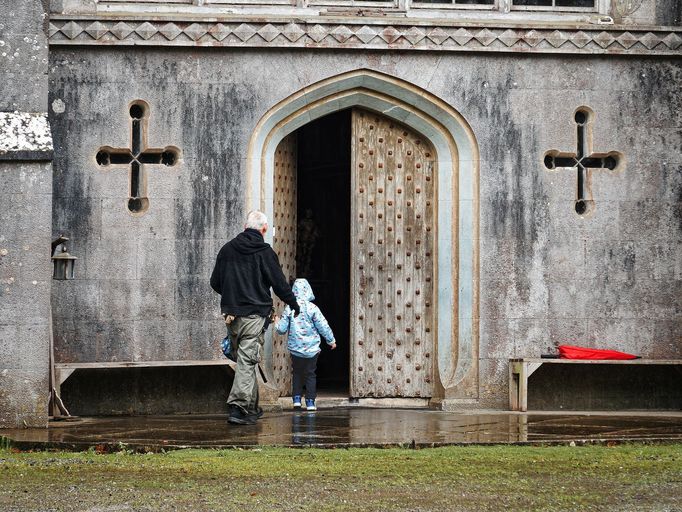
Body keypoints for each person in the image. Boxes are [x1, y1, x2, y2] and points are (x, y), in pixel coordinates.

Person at [210, 210, 300, 425]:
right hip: (254, 315)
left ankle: (251, 408)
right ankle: (238, 406)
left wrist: (233, 296)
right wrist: (294, 303)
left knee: (244, 359)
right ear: (264, 229)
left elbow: (215, 282)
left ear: (244, 226)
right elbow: (279, 283)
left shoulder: (227, 249)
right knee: (247, 360)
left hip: (232, 316)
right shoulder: (264, 252)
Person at [275, 278, 336, 411]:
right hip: (312, 349)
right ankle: (310, 402)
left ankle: (296, 400)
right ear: (308, 290)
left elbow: (281, 330)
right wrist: (331, 340)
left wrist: (276, 322)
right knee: (310, 374)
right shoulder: (313, 308)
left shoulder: (289, 308)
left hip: (296, 349)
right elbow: (323, 326)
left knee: (297, 373)